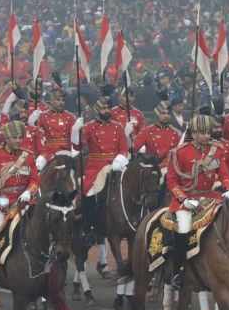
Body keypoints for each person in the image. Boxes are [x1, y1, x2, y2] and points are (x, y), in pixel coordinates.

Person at [166, 114, 229, 291]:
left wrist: (228, 189)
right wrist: (184, 199)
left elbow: (224, 174)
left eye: (208, 133)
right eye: (202, 133)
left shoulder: (217, 150)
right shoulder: (179, 152)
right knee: (184, 228)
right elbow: (172, 182)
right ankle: (177, 272)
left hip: (210, 196)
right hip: (186, 199)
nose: (206, 136)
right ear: (193, 133)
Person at [0, 121, 40, 291]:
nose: (18, 140)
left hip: (24, 202)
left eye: (20, 137)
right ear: (6, 138)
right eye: (14, 137)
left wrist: (29, 192)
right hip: (2, 204)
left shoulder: (28, 155)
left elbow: (35, 180)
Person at [71, 97, 129, 243]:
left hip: (116, 164)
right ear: (97, 110)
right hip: (96, 167)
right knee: (88, 193)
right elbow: (78, 146)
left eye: (109, 108)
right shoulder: (90, 127)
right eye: (104, 108)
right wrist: (75, 130)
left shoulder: (117, 127)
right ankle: (88, 228)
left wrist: (118, 160)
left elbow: (124, 149)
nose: (107, 111)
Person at [132, 101, 181, 172]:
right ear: (157, 114)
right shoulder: (146, 131)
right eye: (163, 113)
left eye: (168, 113)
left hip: (171, 169)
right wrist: (128, 136)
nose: (166, 115)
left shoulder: (176, 133)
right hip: (152, 169)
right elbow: (134, 148)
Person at [35, 89, 76, 160]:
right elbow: (38, 136)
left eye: (63, 100)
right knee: (38, 165)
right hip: (48, 152)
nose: (61, 102)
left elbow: (74, 138)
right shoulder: (42, 116)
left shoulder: (70, 117)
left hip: (66, 151)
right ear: (51, 101)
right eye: (58, 100)